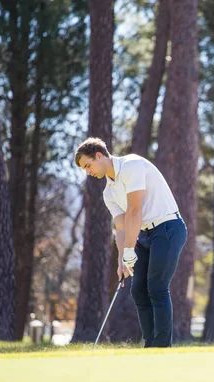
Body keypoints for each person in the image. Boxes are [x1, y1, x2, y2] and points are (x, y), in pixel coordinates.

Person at [74, 137, 187, 348]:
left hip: (168, 227)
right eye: (84, 169)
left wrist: (129, 249)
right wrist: (121, 261)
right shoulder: (108, 192)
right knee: (138, 291)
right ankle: (150, 345)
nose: (88, 171)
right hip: (142, 234)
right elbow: (122, 227)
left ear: (99, 155)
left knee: (157, 287)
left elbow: (135, 210)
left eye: (88, 165)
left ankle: (162, 348)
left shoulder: (131, 165)